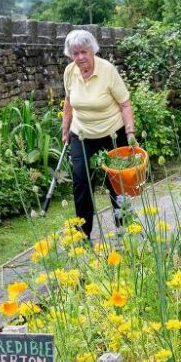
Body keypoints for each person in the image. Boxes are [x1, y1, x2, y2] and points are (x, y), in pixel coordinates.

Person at [62, 29, 137, 239]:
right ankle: (83, 235)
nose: (80, 58)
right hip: (82, 133)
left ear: (92, 50)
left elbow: (124, 103)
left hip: (112, 132)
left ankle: (124, 227)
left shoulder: (107, 70)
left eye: (84, 52)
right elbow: (68, 102)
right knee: (81, 181)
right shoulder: (70, 72)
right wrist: (65, 128)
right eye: (75, 53)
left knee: (117, 182)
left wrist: (130, 131)